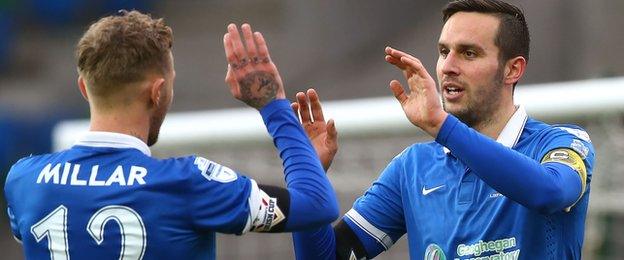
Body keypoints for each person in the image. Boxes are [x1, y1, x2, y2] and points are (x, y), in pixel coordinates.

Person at [4, 10, 339, 259]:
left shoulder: (24, 180)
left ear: (83, 88)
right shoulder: (188, 182)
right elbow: (319, 205)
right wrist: (273, 106)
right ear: (158, 92)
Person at [291, 0, 595, 259]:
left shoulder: (561, 142)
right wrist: (309, 179)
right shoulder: (412, 168)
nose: (447, 66)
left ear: (512, 69)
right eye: (443, 51)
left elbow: (549, 192)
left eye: (469, 53)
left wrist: (441, 126)